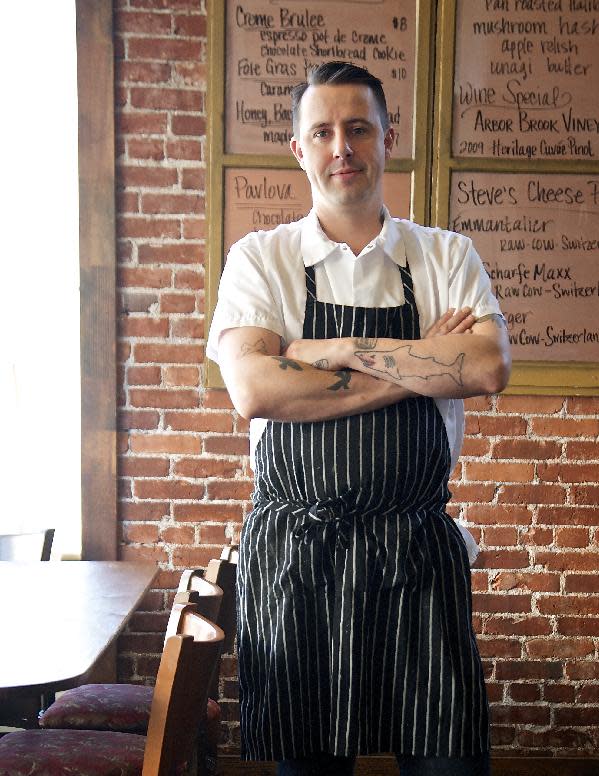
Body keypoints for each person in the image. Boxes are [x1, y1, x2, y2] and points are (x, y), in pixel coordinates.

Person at [207, 61, 511, 776]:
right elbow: (253, 389)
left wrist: (318, 356)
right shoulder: (260, 258)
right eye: (322, 132)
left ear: (386, 138)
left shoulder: (443, 254)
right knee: (308, 769)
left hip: (414, 556)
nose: (340, 146)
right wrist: (420, 363)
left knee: (448, 765)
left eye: (357, 128)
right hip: (297, 564)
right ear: (298, 148)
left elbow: (485, 368)